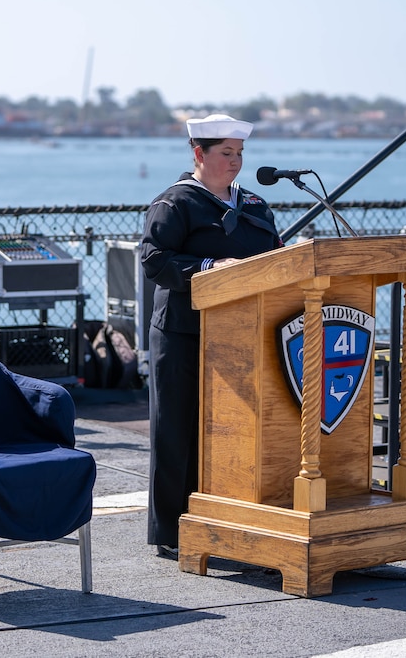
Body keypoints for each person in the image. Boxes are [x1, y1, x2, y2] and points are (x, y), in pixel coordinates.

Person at [140, 114, 282, 558]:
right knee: (177, 429)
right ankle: (173, 529)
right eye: (226, 153)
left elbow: (274, 258)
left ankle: (229, 514)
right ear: (199, 154)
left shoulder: (255, 205)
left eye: (240, 153)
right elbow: (154, 258)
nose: (236, 162)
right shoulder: (177, 203)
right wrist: (208, 268)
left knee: (234, 429)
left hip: (243, 334)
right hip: (184, 333)